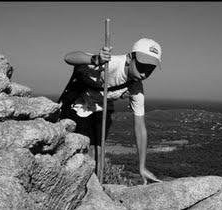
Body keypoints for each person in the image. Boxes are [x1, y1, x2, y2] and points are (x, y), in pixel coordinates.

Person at [58, 38, 162, 185]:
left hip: (102, 109)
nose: (145, 73)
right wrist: (95, 59)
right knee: (75, 151)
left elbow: (140, 128)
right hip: (77, 104)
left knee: (98, 155)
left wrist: (142, 166)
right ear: (129, 58)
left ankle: (93, 191)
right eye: (142, 66)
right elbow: (69, 57)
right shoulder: (109, 63)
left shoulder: (136, 89)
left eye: (150, 69)